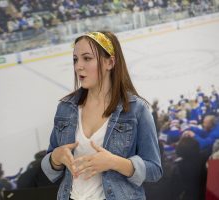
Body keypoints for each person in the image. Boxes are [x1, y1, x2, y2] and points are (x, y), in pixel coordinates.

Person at [41, 31, 162, 200]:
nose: (78, 66)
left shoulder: (136, 110)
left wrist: (114, 162)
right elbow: (50, 164)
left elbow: (154, 170)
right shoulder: (65, 108)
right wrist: (56, 157)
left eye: (87, 58)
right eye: (75, 59)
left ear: (110, 62)